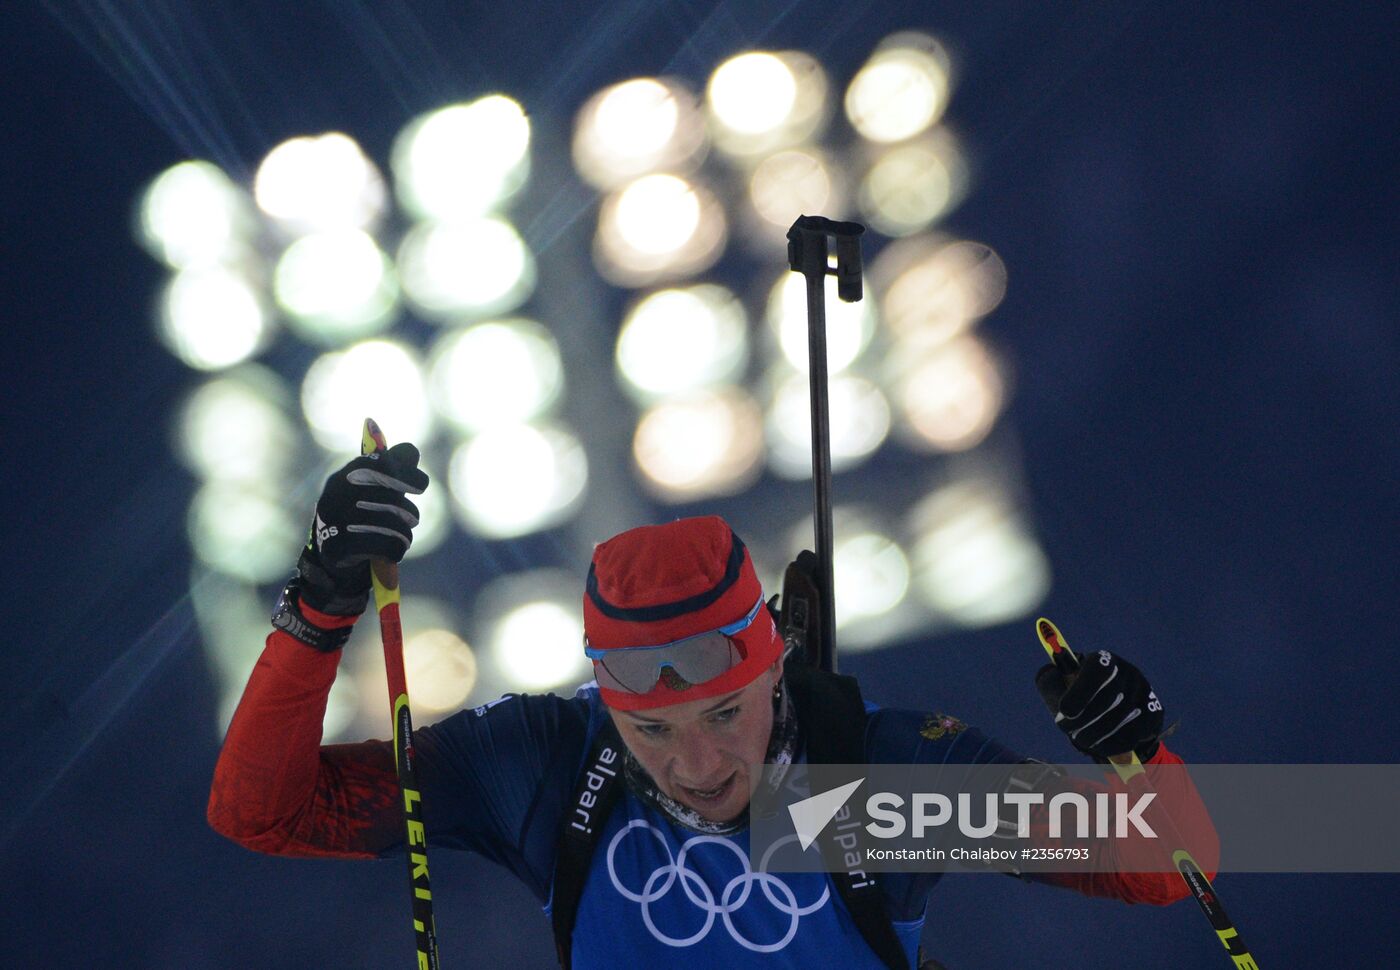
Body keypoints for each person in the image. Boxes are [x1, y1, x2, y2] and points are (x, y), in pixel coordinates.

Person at [208, 443, 1217, 969]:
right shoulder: (543, 762)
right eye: (649, 729)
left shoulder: (879, 783)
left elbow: (1166, 870)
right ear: (604, 702)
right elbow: (259, 813)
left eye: (724, 714)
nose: (695, 766)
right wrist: (318, 605)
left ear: (775, 668)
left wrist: (1138, 750)